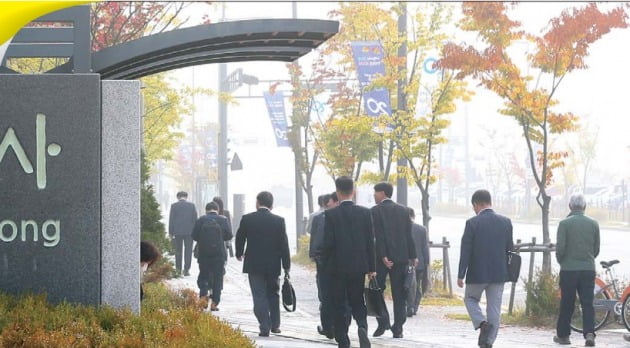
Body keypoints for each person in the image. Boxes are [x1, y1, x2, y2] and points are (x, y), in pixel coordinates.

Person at [322, 176, 375, 348]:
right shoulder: (365, 213)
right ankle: (362, 326)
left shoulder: (330, 214)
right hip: (359, 266)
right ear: (353, 191)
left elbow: (328, 244)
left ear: (337, 192)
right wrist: (371, 268)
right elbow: (370, 242)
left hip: (337, 267)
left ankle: (343, 338)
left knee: (339, 303)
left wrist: (325, 267)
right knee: (358, 300)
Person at [457, 189, 514, 348]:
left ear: (477, 204)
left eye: (474, 207)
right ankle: (488, 342)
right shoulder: (506, 222)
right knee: (494, 309)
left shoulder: (472, 223)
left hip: (477, 273)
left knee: (470, 299)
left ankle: (482, 324)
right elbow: (510, 249)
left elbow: (465, 250)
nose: (474, 210)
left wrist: (461, 274)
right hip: (499, 273)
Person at [235, 191, 291, 337]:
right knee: (273, 294)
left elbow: (240, 237)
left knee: (258, 295)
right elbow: (284, 245)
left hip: (254, 264)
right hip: (273, 265)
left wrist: (239, 253)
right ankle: (275, 324)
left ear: (257, 202)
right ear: (271, 205)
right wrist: (286, 265)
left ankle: (264, 325)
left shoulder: (247, 219)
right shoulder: (279, 221)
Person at [371, 182, 417, 338]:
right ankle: (398, 327)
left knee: (377, 290)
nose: (374, 195)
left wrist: (383, 256)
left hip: (381, 259)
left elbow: (379, 235)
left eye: (375, 192)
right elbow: (408, 235)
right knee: (399, 294)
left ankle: (383, 321)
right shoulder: (403, 210)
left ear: (382, 193)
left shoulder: (375, 211)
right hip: (401, 258)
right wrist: (413, 255)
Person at [554, 194, 600, 347]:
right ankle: (589, 334)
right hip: (588, 269)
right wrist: (587, 259)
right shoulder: (594, 224)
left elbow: (560, 249)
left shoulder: (564, 224)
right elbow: (596, 249)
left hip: (569, 269)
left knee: (567, 302)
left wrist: (563, 262)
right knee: (587, 302)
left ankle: (564, 335)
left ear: (570, 206)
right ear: (584, 206)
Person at [192, 201, 232, 311]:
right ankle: (215, 303)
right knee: (218, 278)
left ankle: (203, 298)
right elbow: (229, 235)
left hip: (203, 254)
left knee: (204, 275)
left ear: (206, 210)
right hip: (219, 254)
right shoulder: (223, 220)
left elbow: (194, 236)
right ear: (217, 210)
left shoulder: (201, 220)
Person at [407, 207, 430, 317]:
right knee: (417, 285)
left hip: (405, 262)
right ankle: (414, 306)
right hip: (419, 262)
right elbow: (425, 247)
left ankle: (409, 306)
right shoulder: (422, 229)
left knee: (407, 284)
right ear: (414, 216)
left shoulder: (400, 228)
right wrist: (427, 262)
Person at [168, 191, 197, 276]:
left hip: (177, 232)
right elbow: (195, 219)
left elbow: (171, 220)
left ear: (178, 197)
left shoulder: (174, 206)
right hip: (189, 232)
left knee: (178, 251)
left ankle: (178, 270)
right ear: (186, 197)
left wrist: (170, 232)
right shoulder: (192, 206)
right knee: (188, 251)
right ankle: (186, 270)